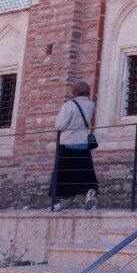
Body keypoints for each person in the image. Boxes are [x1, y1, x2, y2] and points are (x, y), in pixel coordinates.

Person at [49, 81, 99, 211]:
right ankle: (89, 193)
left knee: (61, 173)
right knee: (85, 171)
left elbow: (59, 125)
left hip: (67, 143)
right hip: (83, 143)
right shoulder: (91, 105)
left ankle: (57, 202)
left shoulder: (69, 105)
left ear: (75, 91)